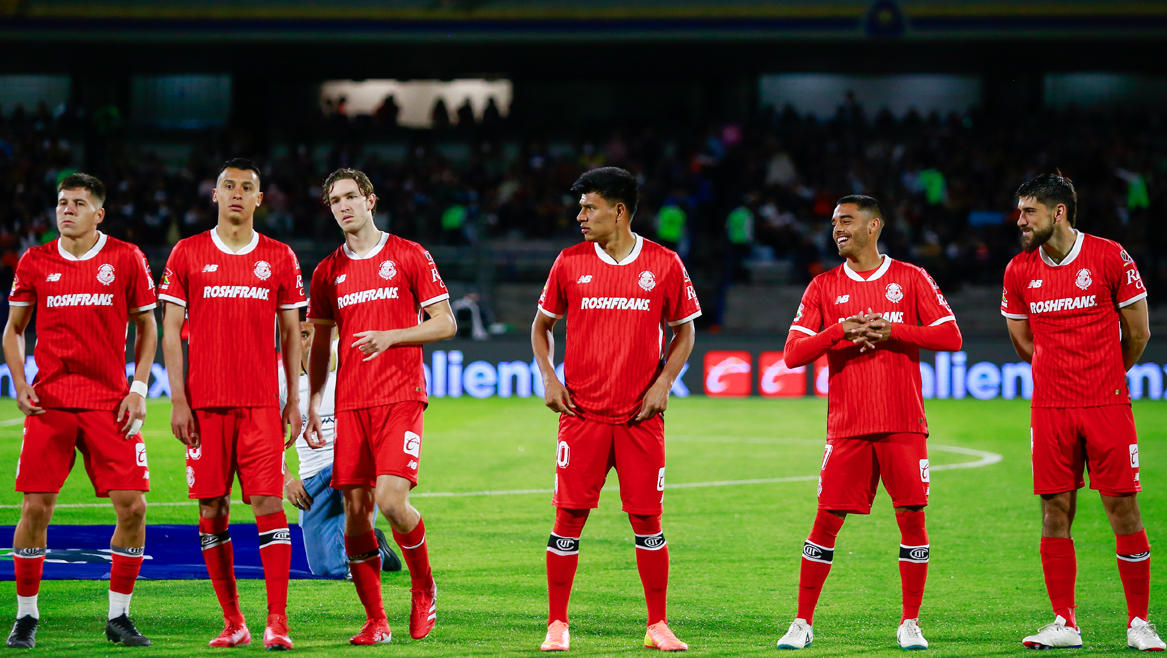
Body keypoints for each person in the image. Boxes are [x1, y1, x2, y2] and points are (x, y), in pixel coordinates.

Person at [777, 195, 962, 651]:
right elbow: (792, 355)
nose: (837, 229)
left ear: (874, 225)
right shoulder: (823, 286)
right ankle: (802, 622)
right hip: (848, 425)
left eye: (847, 221)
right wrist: (839, 330)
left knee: (912, 520)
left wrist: (893, 330)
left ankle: (910, 623)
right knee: (826, 521)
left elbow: (951, 336)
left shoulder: (911, 277)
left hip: (903, 422)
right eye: (834, 223)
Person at [532, 167, 701, 652]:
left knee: (648, 522)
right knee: (568, 519)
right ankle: (557, 624)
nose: (580, 216)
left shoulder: (664, 263)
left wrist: (664, 383)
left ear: (619, 210)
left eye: (590, 207)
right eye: (580, 207)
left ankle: (657, 625)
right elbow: (541, 326)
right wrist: (549, 377)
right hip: (581, 414)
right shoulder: (569, 262)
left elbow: (685, 330)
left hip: (639, 418)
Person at [1001, 173, 1163, 651]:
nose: (1020, 220)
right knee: (1054, 512)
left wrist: (1104, 374)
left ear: (1058, 212)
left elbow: (1138, 333)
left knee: (1124, 509)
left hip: (1106, 404)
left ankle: (1140, 623)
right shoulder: (1018, 270)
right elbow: (1023, 342)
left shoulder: (1110, 256)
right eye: (1019, 211)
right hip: (1050, 408)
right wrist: (1058, 373)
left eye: (1029, 211)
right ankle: (1064, 623)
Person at [3, 173, 158, 649]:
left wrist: (138, 388)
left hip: (110, 403)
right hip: (50, 403)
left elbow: (147, 326)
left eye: (77, 203)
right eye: (61, 202)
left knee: (134, 507)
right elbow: (14, 329)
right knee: (35, 507)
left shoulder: (126, 257)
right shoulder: (35, 260)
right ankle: (26, 616)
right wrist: (21, 383)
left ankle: (119, 616)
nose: (66, 210)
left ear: (99, 213)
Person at [159, 158, 306, 651]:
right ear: (215, 194)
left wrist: (292, 400)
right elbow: (170, 332)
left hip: (261, 404)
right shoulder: (187, 252)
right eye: (229, 185)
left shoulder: (279, 256)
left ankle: (277, 621)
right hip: (205, 406)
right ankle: (233, 621)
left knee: (268, 504)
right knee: (212, 509)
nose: (237, 193)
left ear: (259, 199)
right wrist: (179, 400)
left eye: (247, 187)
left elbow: (291, 332)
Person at [306, 168, 456, 645]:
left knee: (391, 501)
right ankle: (376, 621)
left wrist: (393, 336)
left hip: (401, 395)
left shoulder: (409, 254)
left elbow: (445, 323)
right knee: (355, 511)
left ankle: (423, 587)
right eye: (335, 201)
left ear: (370, 200)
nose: (344, 206)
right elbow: (319, 343)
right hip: (351, 402)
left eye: (351, 197)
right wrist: (312, 403)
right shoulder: (327, 271)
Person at [279, 315, 401, 578]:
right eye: (302, 335)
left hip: (355, 467)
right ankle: (378, 546)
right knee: (327, 569)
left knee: (354, 563)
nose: (310, 342)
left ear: (333, 334)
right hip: (315, 479)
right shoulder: (281, 378)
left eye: (316, 333)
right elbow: (266, 437)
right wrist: (287, 480)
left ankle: (364, 541)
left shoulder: (355, 364)